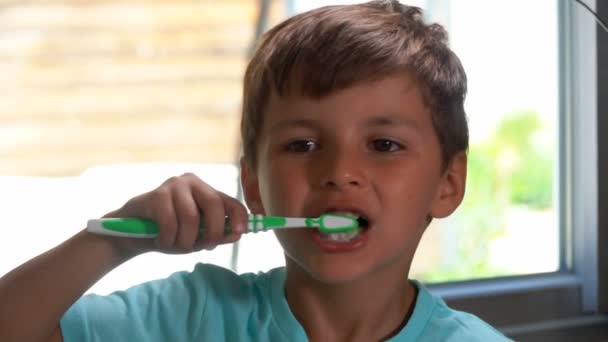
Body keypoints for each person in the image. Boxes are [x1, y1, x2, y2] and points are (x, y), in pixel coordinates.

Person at [0, 1, 512, 341]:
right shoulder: (189, 316)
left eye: (383, 144)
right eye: (303, 144)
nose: (339, 171)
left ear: (448, 184)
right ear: (254, 187)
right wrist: (112, 240)